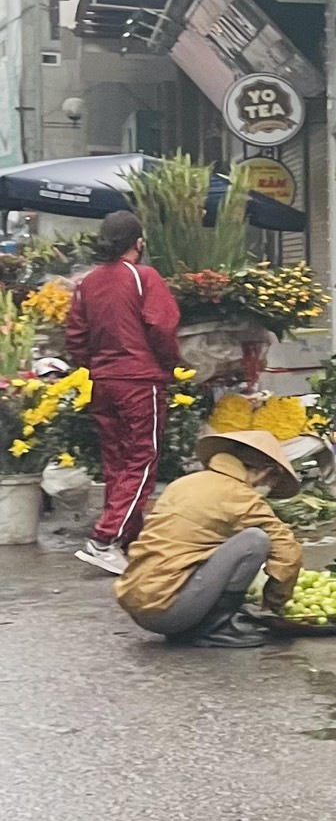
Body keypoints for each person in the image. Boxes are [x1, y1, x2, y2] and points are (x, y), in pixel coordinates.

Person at [65, 208, 181, 575]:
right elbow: (162, 327)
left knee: (116, 462)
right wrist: (168, 366)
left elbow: (75, 336)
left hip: (103, 381)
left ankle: (128, 539)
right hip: (139, 380)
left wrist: (96, 364)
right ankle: (105, 539)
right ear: (139, 242)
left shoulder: (87, 283)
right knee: (142, 459)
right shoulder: (143, 277)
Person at [114, 429, 304, 648]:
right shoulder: (241, 496)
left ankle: (193, 627)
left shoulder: (185, 483)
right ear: (266, 472)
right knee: (255, 540)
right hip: (169, 610)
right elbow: (288, 552)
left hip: (139, 601)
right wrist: (274, 605)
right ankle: (213, 629)